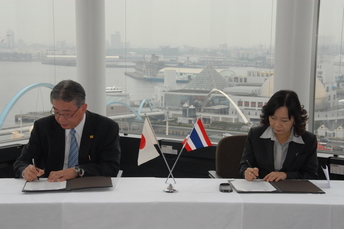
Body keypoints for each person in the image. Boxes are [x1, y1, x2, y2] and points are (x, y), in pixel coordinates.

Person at [14, 80, 121, 182]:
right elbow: (21, 161)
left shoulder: (106, 128)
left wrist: (77, 171)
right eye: (56, 112)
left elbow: (111, 167)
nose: (60, 119)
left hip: (89, 188)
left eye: (67, 113)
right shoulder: (43, 127)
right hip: (52, 186)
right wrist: (26, 171)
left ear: (83, 108)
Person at [239, 90, 318, 182]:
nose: (277, 125)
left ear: (295, 119)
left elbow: (312, 175)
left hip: (292, 192)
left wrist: (286, 175)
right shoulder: (255, 135)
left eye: (284, 120)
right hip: (262, 190)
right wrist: (247, 172)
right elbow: (244, 165)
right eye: (273, 118)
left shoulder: (308, 140)